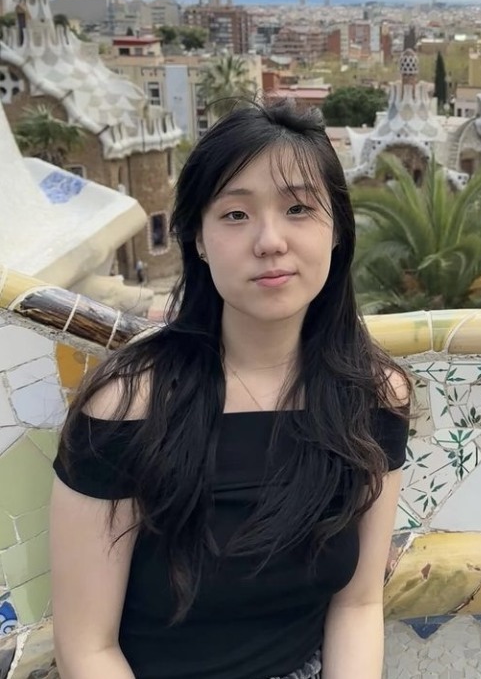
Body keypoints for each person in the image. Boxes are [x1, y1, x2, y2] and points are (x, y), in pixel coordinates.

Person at [50, 100, 410, 679]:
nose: (270, 241)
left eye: (298, 208)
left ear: (338, 230)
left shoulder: (372, 397)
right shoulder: (126, 407)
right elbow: (85, 649)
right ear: (196, 239)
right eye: (236, 215)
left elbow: (358, 603)